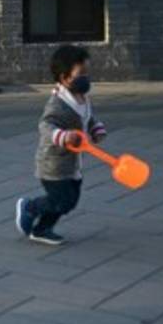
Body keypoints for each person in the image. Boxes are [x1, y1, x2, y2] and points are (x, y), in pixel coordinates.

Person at [15, 44, 108, 246]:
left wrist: (95, 128)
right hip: (54, 164)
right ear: (65, 78)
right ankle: (30, 207)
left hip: (73, 163)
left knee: (69, 201)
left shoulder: (82, 98)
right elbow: (45, 125)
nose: (86, 78)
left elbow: (87, 117)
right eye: (81, 74)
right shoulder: (57, 104)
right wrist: (63, 136)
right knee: (61, 200)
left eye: (87, 72)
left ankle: (42, 229)